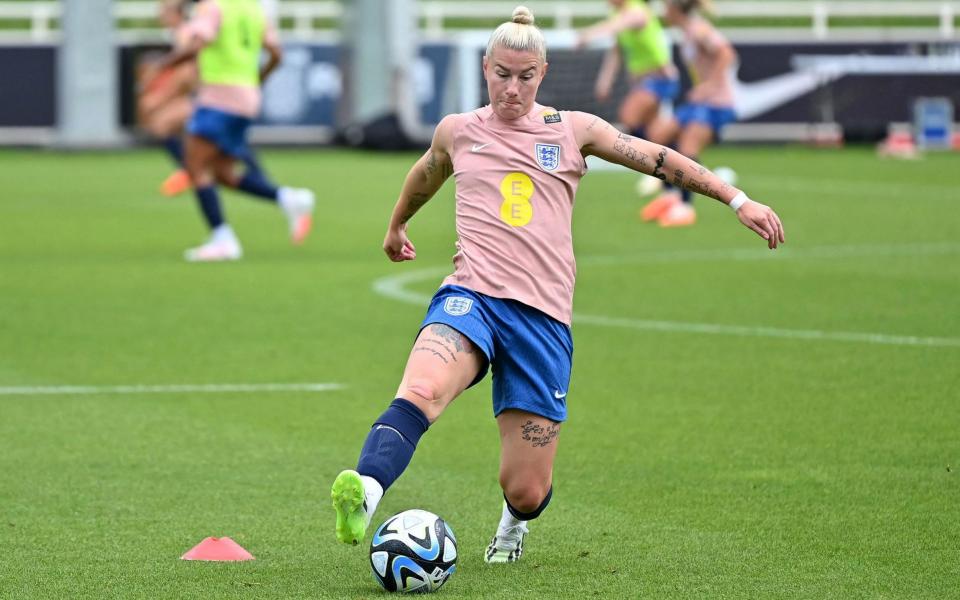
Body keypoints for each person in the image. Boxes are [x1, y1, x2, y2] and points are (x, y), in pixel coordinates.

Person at [330, 5, 783, 564]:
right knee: (421, 391)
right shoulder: (459, 130)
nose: (512, 89)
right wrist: (398, 223)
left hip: (542, 320)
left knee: (526, 489)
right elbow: (427, 169)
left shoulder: (573, 130)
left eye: (525, 77)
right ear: (485, 67)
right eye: (502, 74)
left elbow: (658, 158)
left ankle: (512, 528)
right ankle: (366, 493)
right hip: (470, 298)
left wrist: (736, 199)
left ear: (541, 74)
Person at [147, 0, 315, 262]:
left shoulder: (213, 7)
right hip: (246, 98)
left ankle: (222, 238)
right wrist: (256, 81)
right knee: (223, 174)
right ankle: (288, 198)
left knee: (195, 167)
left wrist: (163, 65)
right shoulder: (252, 8)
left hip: (218, 97)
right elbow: (276, 53)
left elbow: (197, 43)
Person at [641, 0, 739, 227]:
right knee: (659, 138)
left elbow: (727, 53)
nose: (664, 12)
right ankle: (670, 197)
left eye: (666, 8)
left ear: (676, 10)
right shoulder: (687, 32)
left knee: (687, 150)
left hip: (716, 103)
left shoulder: (699, 29)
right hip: (700, 102)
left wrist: (710, 85)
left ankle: (685, 208)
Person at [576, 0, 679, 140]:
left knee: (629, 116)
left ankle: (644, 156)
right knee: (653, 132)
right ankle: (672, 156)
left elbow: (615, 26)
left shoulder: (637, 10)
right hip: (643, 82)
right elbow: (616, 52)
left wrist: (588, 35)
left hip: (659, 78)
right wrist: (605, 81)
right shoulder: (618, 14)